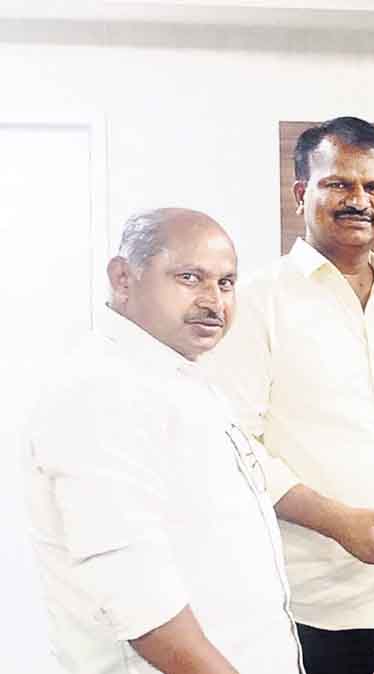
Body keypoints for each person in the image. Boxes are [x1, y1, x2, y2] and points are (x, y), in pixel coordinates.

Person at [203, 117, 374, 674]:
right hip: (315, 604)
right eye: (339, 184)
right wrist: (337, 522)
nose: (359, 201)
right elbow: (232, 447)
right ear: (301, 193)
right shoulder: (256, 301)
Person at [23, 208, 303, 674]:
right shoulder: (99, 391)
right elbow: (140, 602)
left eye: (227, 283)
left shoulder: (183, 378)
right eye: (190, 278)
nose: (214, 301)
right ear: (123, 278)